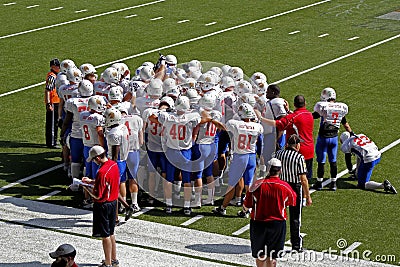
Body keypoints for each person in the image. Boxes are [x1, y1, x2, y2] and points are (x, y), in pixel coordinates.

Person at [242, 158, 297, 267]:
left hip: (258, 223)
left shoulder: (257, 185)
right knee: (272, 256)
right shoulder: (285, 186)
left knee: (260, 254)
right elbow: (292, 201)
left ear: (268, 169)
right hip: (277, 224)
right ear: (280, 171)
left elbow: (246, 206)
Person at [213, 103, 263, 215]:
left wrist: (213, 121)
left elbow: (223, 128)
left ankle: (222, 208)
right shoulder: (258, 126)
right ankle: (247, 210)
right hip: (251, 157)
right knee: (249, 185)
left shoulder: (234, 123)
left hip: (240, 157)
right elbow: (260, 142)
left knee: (232, 185)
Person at [255, 95, 314, 180]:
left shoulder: (293, 117)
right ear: (305, 103)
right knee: (306, 178)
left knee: (294, 178)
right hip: (309, 149)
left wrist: (261, 118)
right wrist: (288, 111)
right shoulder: (309, 114)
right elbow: (296, 118)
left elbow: (276, 123)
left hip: (297, 151)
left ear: (294, 104)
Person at [82, 145, 120, 267]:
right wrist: (91, 181)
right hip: (113, 202)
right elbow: (108, 183)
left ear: (98, 158)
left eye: (94, 159)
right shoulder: (113, 165)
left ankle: (107, 263)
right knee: (111, 232)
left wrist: (85, 188)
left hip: (103, 205)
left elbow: (98, 196)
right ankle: (113, 259)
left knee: (105, 235)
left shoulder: (102, 172)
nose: (94, 162)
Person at [273, 134, 312, 252]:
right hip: (294, 188)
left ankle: (275, 241)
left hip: (281, 186)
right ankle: (296, 244)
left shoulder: (279, 154)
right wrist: (308, 195)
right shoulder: (299, 157)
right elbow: (303, 179)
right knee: (295, 217)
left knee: (278, 214)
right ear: (297, 145)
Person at [312, 87, 352, 191]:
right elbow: (346, 125)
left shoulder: (323, 107)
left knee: (321, 161)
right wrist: (351, 133)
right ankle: (333, 183)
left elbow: (313, 116)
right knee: (333, 161)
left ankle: (319, 183)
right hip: (334, 138)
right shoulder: (341, 108)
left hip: (323, 138)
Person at [45, 58, 61, 148]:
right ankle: (51, 143)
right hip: (53, 102)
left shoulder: (56, 75)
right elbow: (48, 90)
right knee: (52, 124)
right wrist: (48, 103)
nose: (59, 67)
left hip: (56, 102)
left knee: (54, 123)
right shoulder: (52, 77)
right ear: (52, 67)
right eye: (57, 66)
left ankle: (52, 141)